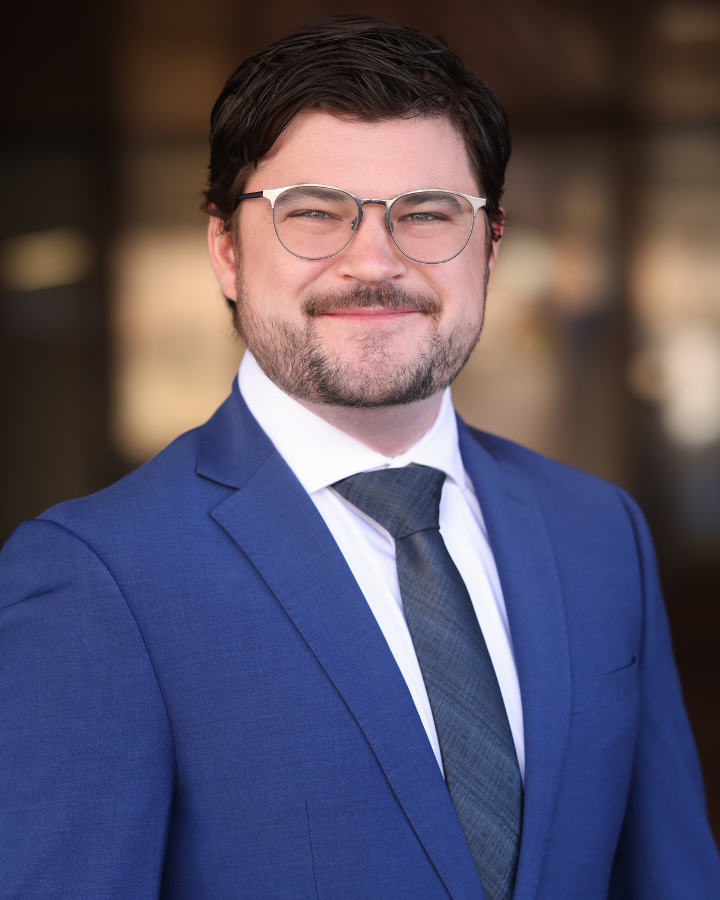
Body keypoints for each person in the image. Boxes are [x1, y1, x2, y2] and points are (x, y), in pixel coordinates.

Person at [1, 15, 718, 900]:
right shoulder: (93, 578)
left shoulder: (599, 532)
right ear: (226, 251)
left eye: (428, 214)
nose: (373, 262)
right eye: (313, 213)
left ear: (490, 247)